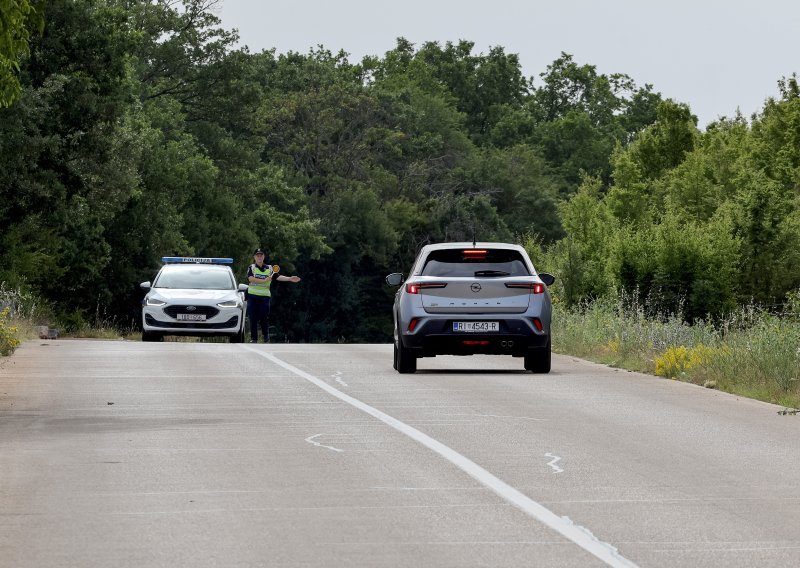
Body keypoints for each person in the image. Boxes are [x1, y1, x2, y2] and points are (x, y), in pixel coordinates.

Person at [246, 247, 301, 343]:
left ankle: (266, 336)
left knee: (264, 316)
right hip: (252, 296)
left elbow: (278, 277)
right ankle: (254, 339)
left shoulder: (270, 268)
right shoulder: (252, 267)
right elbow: (250, 279)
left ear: (264, 257)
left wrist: (290, 279)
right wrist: (264, 280)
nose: (259, 257)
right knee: (253, 317)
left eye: (261, 255)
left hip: (264, 296)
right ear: (254, 257)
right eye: (257, 255)